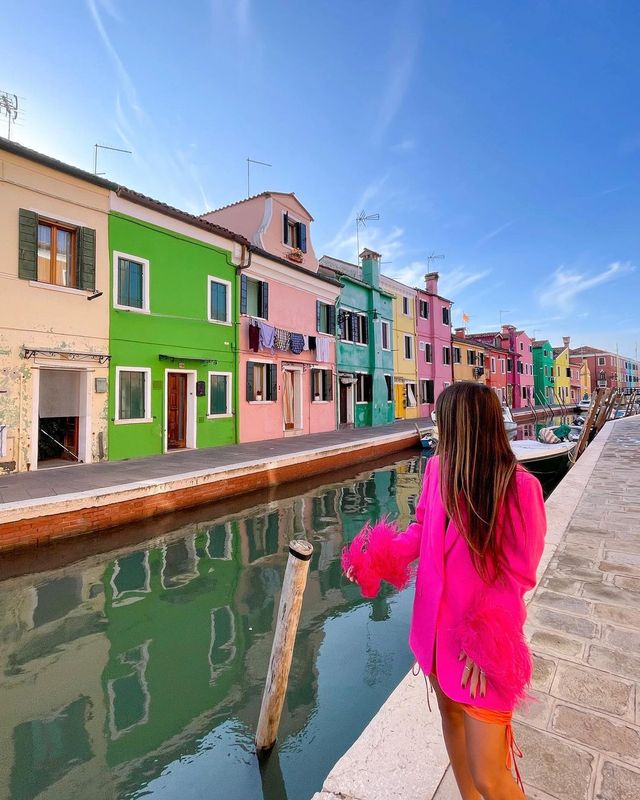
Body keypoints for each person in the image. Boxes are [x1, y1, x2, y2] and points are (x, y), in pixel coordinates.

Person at [343, 382, 546, 799]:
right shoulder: (436, 469)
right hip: (435, 637)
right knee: (450, 718)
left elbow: (517, 577)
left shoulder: (520, 488)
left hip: (481, 649)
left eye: (441, 418)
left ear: (464, 424)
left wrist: (485, 641)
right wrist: (376, 558)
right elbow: (421, 529)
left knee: (490, 773)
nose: (436, 425)